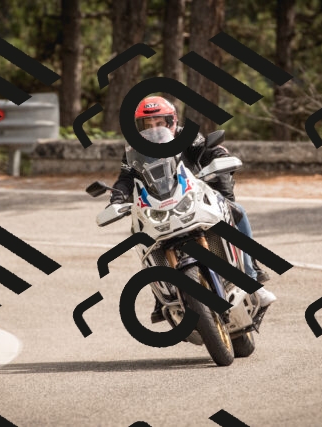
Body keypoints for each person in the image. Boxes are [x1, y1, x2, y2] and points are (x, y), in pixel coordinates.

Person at [108, 96, 276, 323]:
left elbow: (209, 150)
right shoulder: (134, 148)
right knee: (141, 236)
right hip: (158, 203)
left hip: (192, 196)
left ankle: (252, 278)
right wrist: (117, 196)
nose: (154, 129)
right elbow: (126, 177)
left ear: (172, 121)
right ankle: (162, 296)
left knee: (236, 211)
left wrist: (220, 159)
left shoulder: (187, 136)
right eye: (147, 125)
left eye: (159, 123)